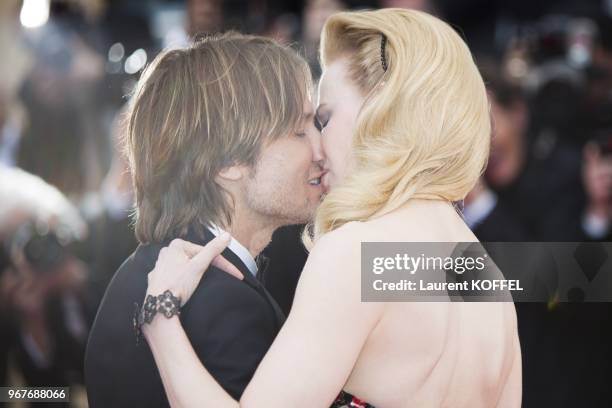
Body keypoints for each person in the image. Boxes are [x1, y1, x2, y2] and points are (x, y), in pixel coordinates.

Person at [140, 8, 522, 407]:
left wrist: (160, 319)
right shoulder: (487, 279)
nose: (317, 149)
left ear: (383, 110)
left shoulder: (357, 253)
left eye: (324, 119)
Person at [84, 33, 325, 407]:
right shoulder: (225, 303)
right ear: (229, 163)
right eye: (300, 129)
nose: (321, 149)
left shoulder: (137, 273)